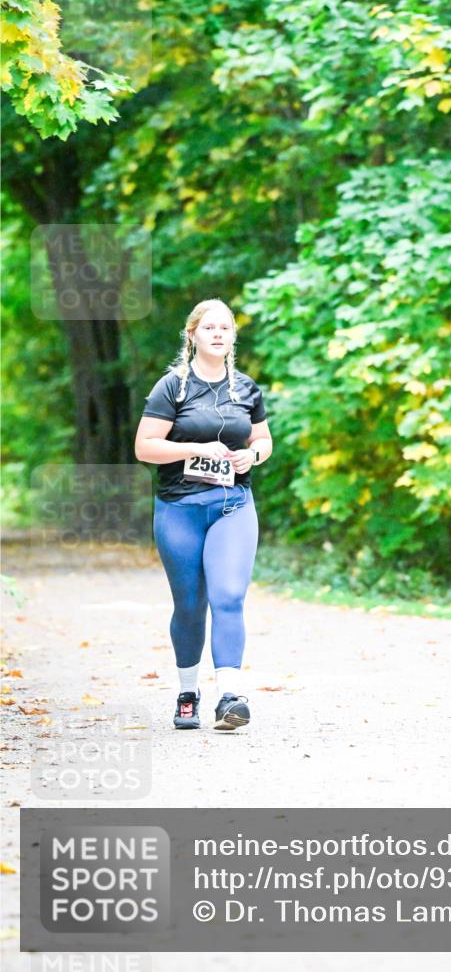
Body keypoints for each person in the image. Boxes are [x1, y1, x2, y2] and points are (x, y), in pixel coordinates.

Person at [134, 299, 272, 731]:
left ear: (232, 337)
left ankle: (230, 696)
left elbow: (263, 439)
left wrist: (253, 455)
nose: (217, 333)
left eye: (225, 328)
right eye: (208, 327)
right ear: (191, 334)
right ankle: (188, 691)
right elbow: (145, 448)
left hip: (233, 505)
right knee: (190, 605)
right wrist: (195, 448)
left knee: (228, 596)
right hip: (180, 507)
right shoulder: (172, 388)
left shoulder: (246, 389)